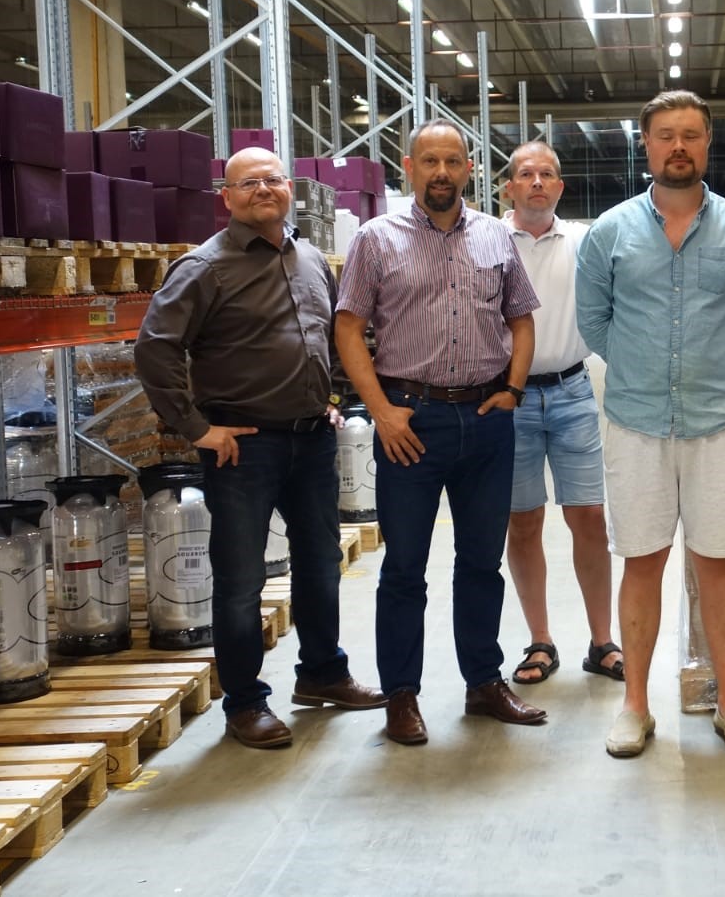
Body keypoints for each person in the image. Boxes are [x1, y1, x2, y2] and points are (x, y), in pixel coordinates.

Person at [135, 146, 386, 750]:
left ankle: (322, 673)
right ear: (226, 197)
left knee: (321, 564)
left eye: (273, 179)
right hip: (242, 447)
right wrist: (197, 429)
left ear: (290, 188)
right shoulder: (204, 267)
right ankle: (245, 702)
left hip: (312, 439)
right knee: (242, 580)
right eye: (248, 183)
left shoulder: (310, 259)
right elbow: (155, 349)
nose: (263, 190)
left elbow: (330, 335)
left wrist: (332, 395)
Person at [577, 90, 725, 758]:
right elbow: (594, 322)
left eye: (690, 135)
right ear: (646, 144)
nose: (678, 147)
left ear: (707, 143)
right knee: (642, 561)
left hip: (720, 422)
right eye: (665, 135)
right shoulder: (610, 232)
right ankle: (635, 706)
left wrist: (713, 366)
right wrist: (645, 367)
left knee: (717, 562)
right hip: (637, 422)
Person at [335, 120, 545, 746]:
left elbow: (521, 318)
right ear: (409, 168)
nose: (442, 173)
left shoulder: (496, 236)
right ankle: (402, 694)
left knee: (481, 562)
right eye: (430, 161)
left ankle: (483, 681)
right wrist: (380, 411)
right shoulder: (377, 238)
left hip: (485, 421)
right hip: (410, 422)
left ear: (470, 169)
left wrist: (512, 390)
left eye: (453, 161)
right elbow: (348, 327)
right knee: (405, 566)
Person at [499, 141, 622, 685]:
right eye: (526, 174)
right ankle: (540, 641)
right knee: (523, 522)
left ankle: (602, 642)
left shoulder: (582, 240)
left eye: (547, 174)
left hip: (573, 391)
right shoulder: (489, 239)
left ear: (560, 187)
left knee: (589, 517)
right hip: (510, 399)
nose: (537, 182)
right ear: (509, 187)